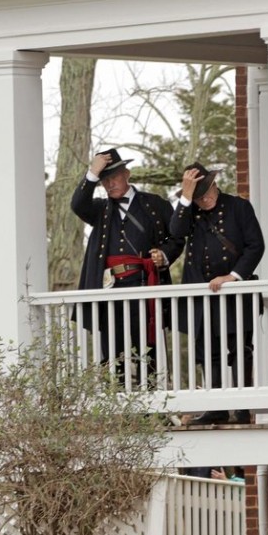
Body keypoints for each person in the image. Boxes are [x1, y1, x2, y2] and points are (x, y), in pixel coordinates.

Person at [71, 148, 184, 384]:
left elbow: (176, 238)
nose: (109, 184)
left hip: (145, 285)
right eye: (104, 181)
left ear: (127, 174)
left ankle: (152, 408)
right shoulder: (100, 209)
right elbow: (78, 205)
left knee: (147, 349)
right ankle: (120, 409)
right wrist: (92, 172)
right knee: (113, 351)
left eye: (114, 178)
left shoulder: (155, 204)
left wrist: (163, 255)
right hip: (110, 289)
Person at [170, 162, 264, 426]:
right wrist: (186, 197)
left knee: (240, 350)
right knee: (207, 352)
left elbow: (256, 245)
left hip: (234, 292)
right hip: (203, 296)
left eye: (207, 192)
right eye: (199, 196)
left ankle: (242, 408)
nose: (206, 199)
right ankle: (215, 408)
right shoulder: (191, 213)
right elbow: (175, 232)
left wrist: (232, 277)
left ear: (214, 184)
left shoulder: (239, 207)